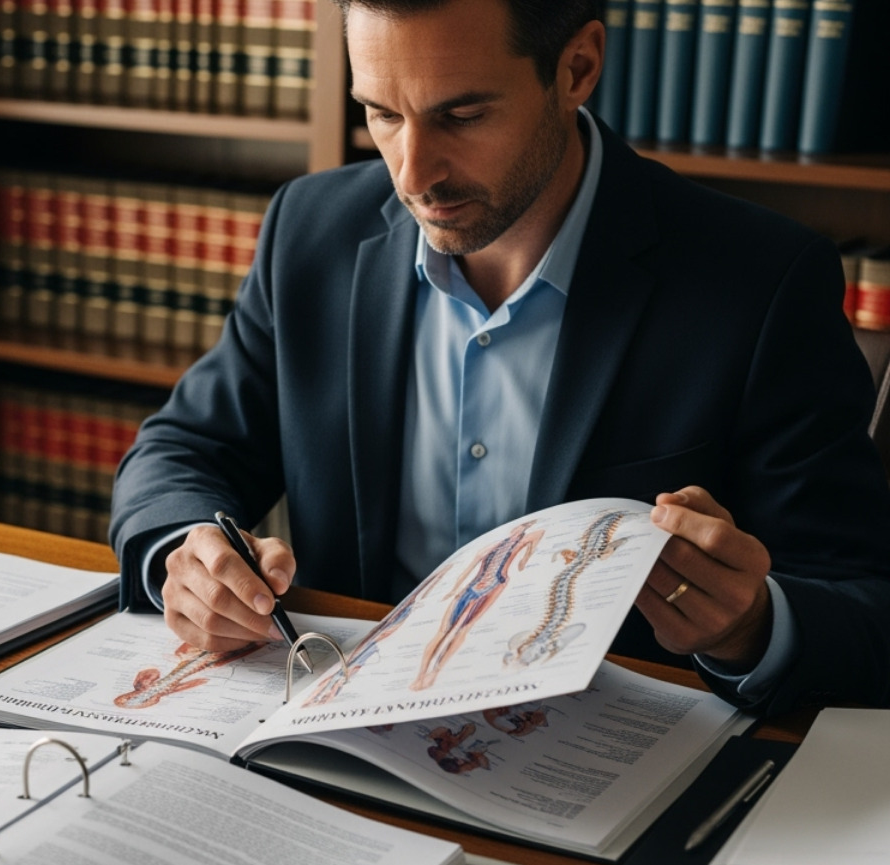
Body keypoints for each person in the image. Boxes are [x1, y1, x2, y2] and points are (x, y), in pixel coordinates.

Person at [108, 0, 890, 717]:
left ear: (577, 68)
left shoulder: (763, 280)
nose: (413, 174)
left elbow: (865, 607)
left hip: (607, 769)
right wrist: (186, 556)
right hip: (341, 740)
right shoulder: (310, 231)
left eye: (464, 114)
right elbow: (182, 449)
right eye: (382, 114)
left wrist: (750, 626)